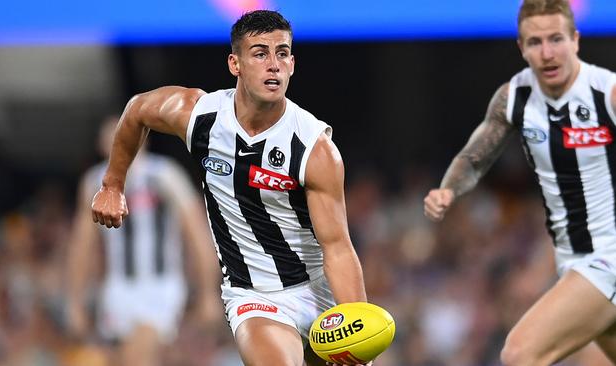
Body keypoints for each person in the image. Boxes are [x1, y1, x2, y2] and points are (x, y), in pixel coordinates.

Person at [90, 10, 370, 366]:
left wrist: (357, 322)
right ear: (234, 63)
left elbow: (338, 248)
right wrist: (113, 183)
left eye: (282, 53)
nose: (273, 65)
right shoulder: (200, 116)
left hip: (318, 291)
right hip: (253, 295)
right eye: (260, 53)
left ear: (293, 64)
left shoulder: (314, 149)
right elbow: (137, 111)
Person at [423, 0, 616, 365]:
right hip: (573, 258)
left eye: (556, 39)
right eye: (535, 42)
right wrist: (448, 188)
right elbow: (474, 157)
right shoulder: (515, 98)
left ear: (575, 40)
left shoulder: (606, 93)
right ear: (521, 47)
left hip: (608, 256)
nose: (547, 53)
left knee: (519, 353)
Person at [67, 115, 222, 366]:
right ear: (102, 145)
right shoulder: (94, 182)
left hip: (161, 286)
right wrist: (74, 300)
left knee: (141, 355)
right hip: (118, 288)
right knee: (123, 358)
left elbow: (198, 235)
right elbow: (82, 246)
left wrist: (208, 293)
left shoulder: (165, 175)